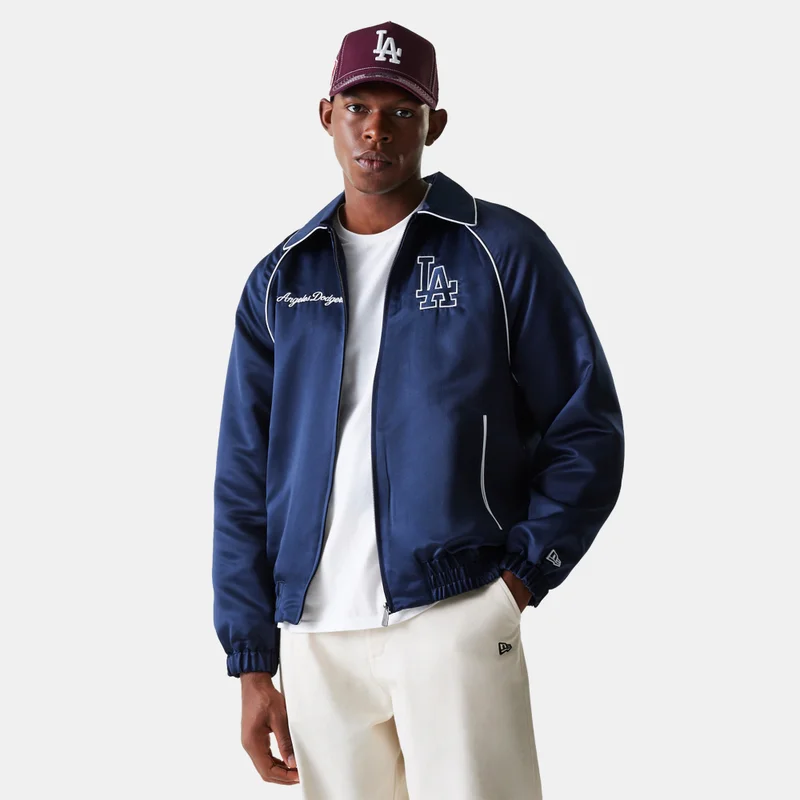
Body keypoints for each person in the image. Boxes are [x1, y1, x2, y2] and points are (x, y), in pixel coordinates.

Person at [212, 19, 624, 799]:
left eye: (402, 111)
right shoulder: (279, 279)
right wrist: (251, 659)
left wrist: (517, 584)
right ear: (326, 115)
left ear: (435, 124)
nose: (377, 129)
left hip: (454, 611)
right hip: (316, 635)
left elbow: (587, 427)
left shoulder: (499, 249)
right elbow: (243, 471)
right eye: (358, 107)